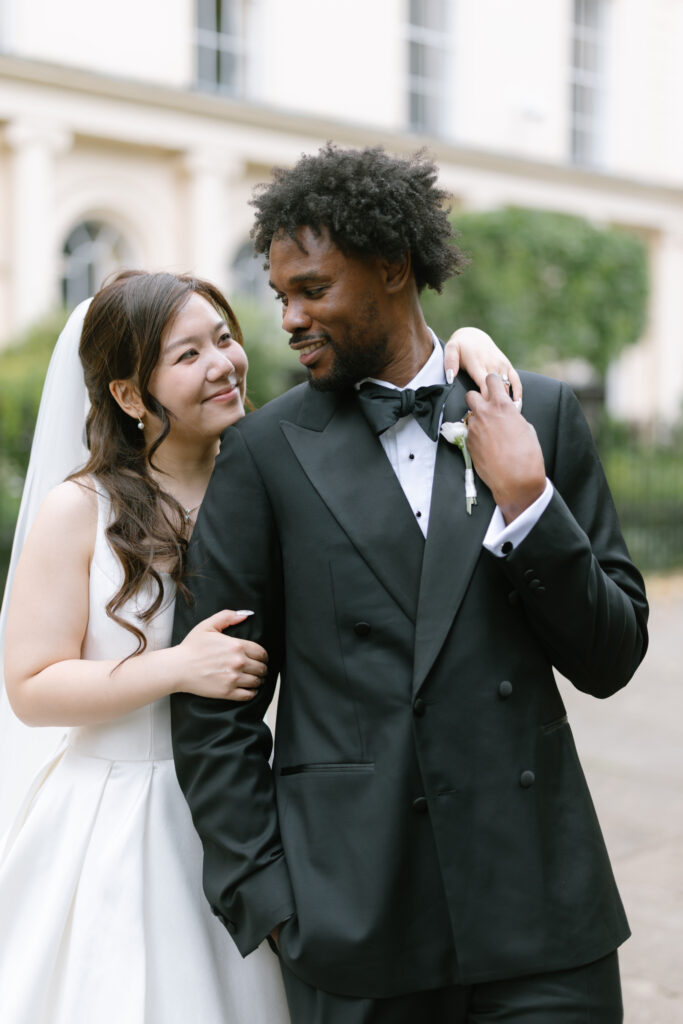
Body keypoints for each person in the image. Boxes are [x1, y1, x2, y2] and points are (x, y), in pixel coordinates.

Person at [171, 145, 649, 1024]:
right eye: (279, 295)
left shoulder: (535, 414)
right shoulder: (266, 455)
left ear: (393, 268)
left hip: (540, 909)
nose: (289, 317)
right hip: (354, 915)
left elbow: (611, 656)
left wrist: (529, 504)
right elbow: (214, 707)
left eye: (312, 288)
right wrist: (269, 901)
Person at [0, 267, 512, 1022]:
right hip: (117, 819)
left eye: (224, 339)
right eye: (187, 355)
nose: (222, 364)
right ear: (129, 395)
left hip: (250, 808)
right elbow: (32, 687)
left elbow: (399, 382)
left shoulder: (279, 473)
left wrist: (466, 341)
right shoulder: (78, 510)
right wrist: (174, 667)